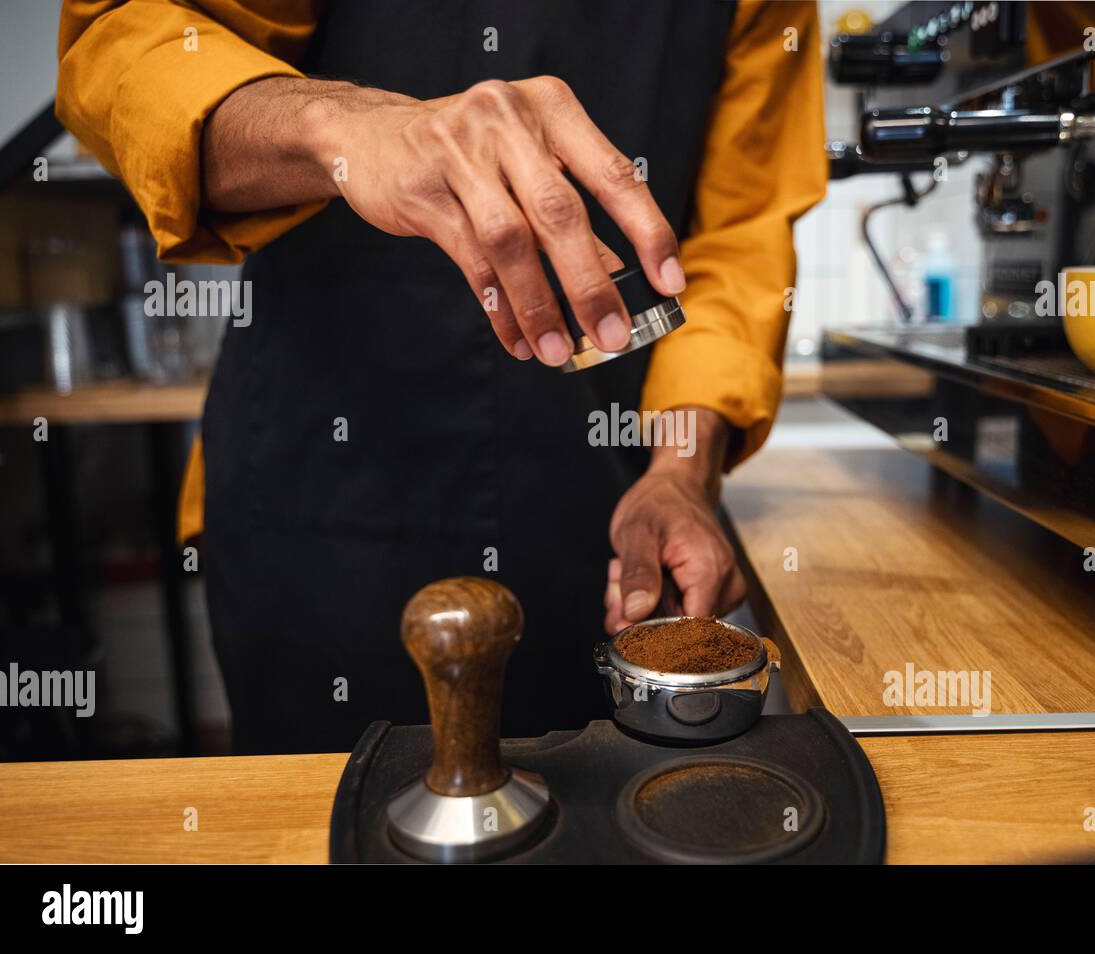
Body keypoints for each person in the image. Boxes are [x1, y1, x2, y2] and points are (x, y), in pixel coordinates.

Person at [57, 0, 826, 752]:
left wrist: (682, 473)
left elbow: (736, 237)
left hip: (601, 523)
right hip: (321, 508)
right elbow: (121, 43)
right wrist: (345, 129)